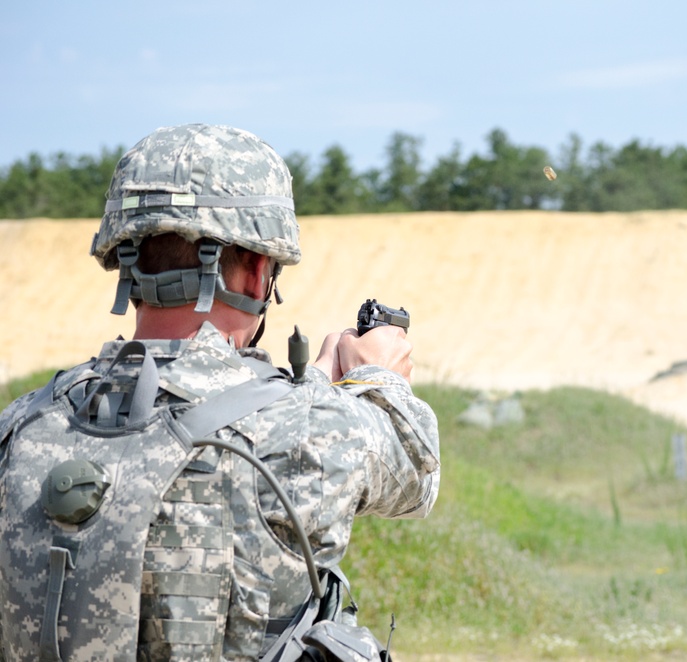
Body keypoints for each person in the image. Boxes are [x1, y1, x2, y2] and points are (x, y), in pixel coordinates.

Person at [0, 124, 440, 661]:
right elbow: (415, 475)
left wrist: (311, 390)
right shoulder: (311, 429)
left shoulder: (23, 424)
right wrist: (377, 376)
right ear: (259, 271)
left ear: (127, 261)